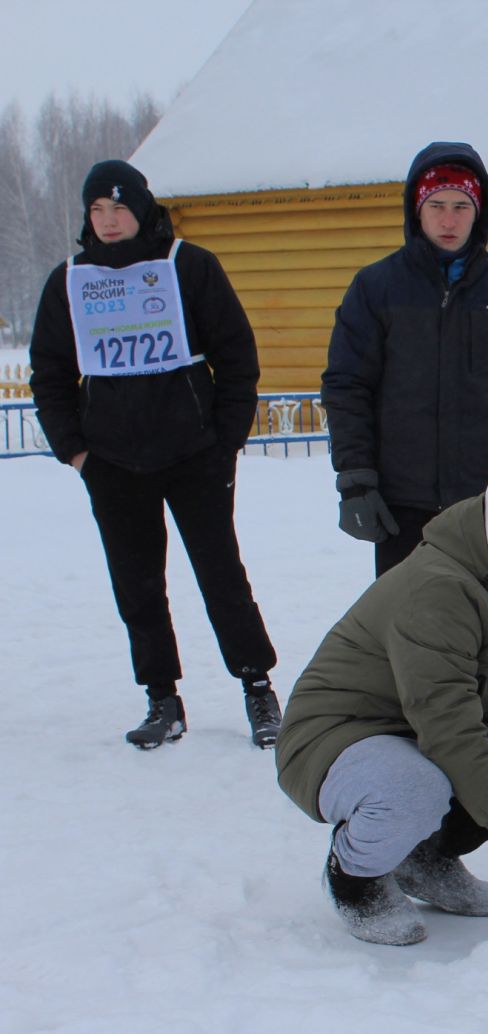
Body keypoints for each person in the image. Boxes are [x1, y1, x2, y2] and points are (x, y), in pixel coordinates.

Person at [276, 470, 488, 945]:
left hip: (418, 730)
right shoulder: (437, 591)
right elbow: (448, 726)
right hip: (340, 737)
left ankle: (424, 858)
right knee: (415, 785)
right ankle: (354, 877)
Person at [29, 159, 282, 751]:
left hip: (195, 455)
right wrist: (75, 450)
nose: (109, 220)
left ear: (141, 210)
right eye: (97, 210)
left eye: (119, 208)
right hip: (113, 462)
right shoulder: (68, 280)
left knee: (221, 574)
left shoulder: (189, 266)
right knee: (137, 584)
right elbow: (50, 372)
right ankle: (162, 698)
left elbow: (237, 356)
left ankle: (257, 687)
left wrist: (226, 440)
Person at [323, 141, 488, 576]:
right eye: (436, 205)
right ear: (417, 208)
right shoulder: (376, 288)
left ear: (479, 211)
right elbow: (347, 387)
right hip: (400, 504)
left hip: (487, 505)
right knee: (410, 630)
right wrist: (356, 482)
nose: (448, 220)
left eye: (460, 206)